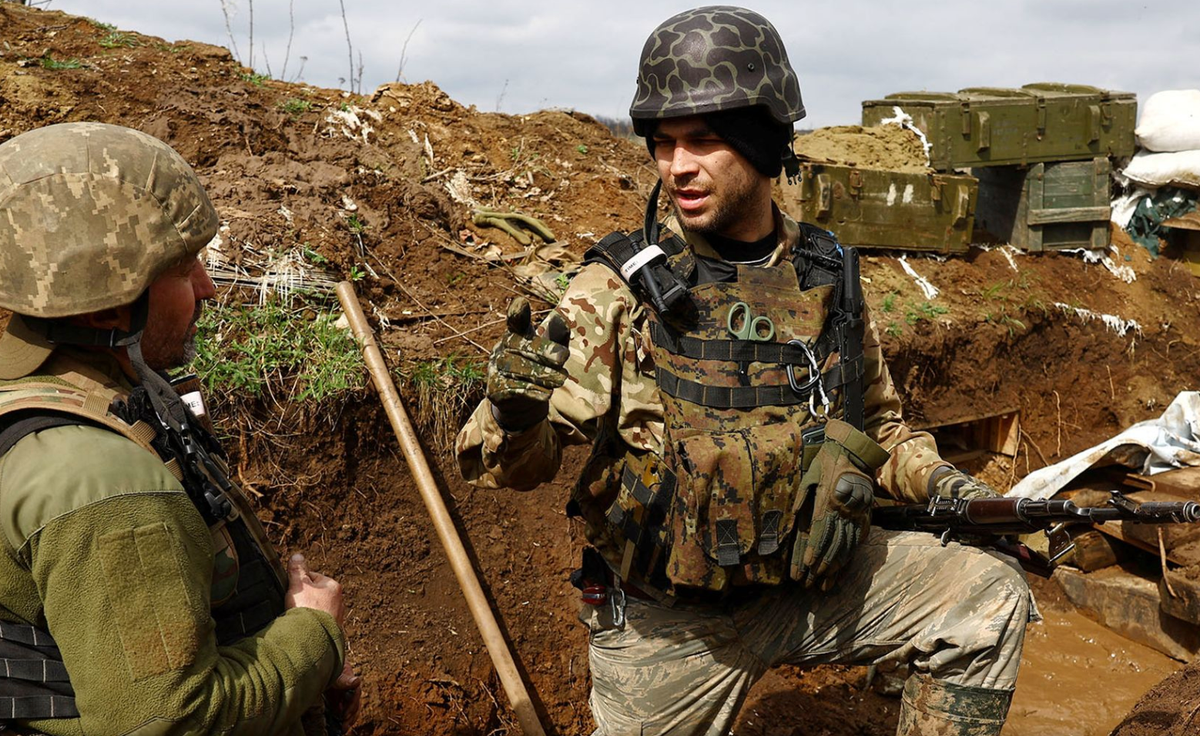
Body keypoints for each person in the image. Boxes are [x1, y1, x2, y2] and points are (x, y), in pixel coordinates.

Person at [457, 7, 1034, 736]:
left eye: (703, 140)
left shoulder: (828, 274)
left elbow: (879, 424)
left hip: (814, 580)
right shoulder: (614, 291)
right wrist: (513, 416)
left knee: (988, 595)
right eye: (663, 144)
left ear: (762, 142)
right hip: (672, 627)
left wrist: (955, 492)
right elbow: (519, 467)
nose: (677, 166)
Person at [0, 122, 358, 734]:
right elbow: (170, 719)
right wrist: (313, 638)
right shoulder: (98, 481)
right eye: (185, 266)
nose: (209, 288)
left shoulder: (57, 391)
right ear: (109, 303)